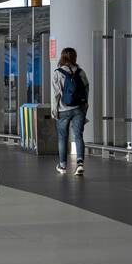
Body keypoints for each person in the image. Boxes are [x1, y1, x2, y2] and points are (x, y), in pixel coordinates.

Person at [50, 46, 89, 177]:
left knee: (63, 137)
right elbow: (86, 89)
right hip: (78, 109)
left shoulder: (58, 73)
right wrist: (85, 106)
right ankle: (80, 164)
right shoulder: (81, 72)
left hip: (63, 109)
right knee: (78, 136)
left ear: (62, 57)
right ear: (74, 57)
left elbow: (56, 95)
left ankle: (62, 165)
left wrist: (54, 110)